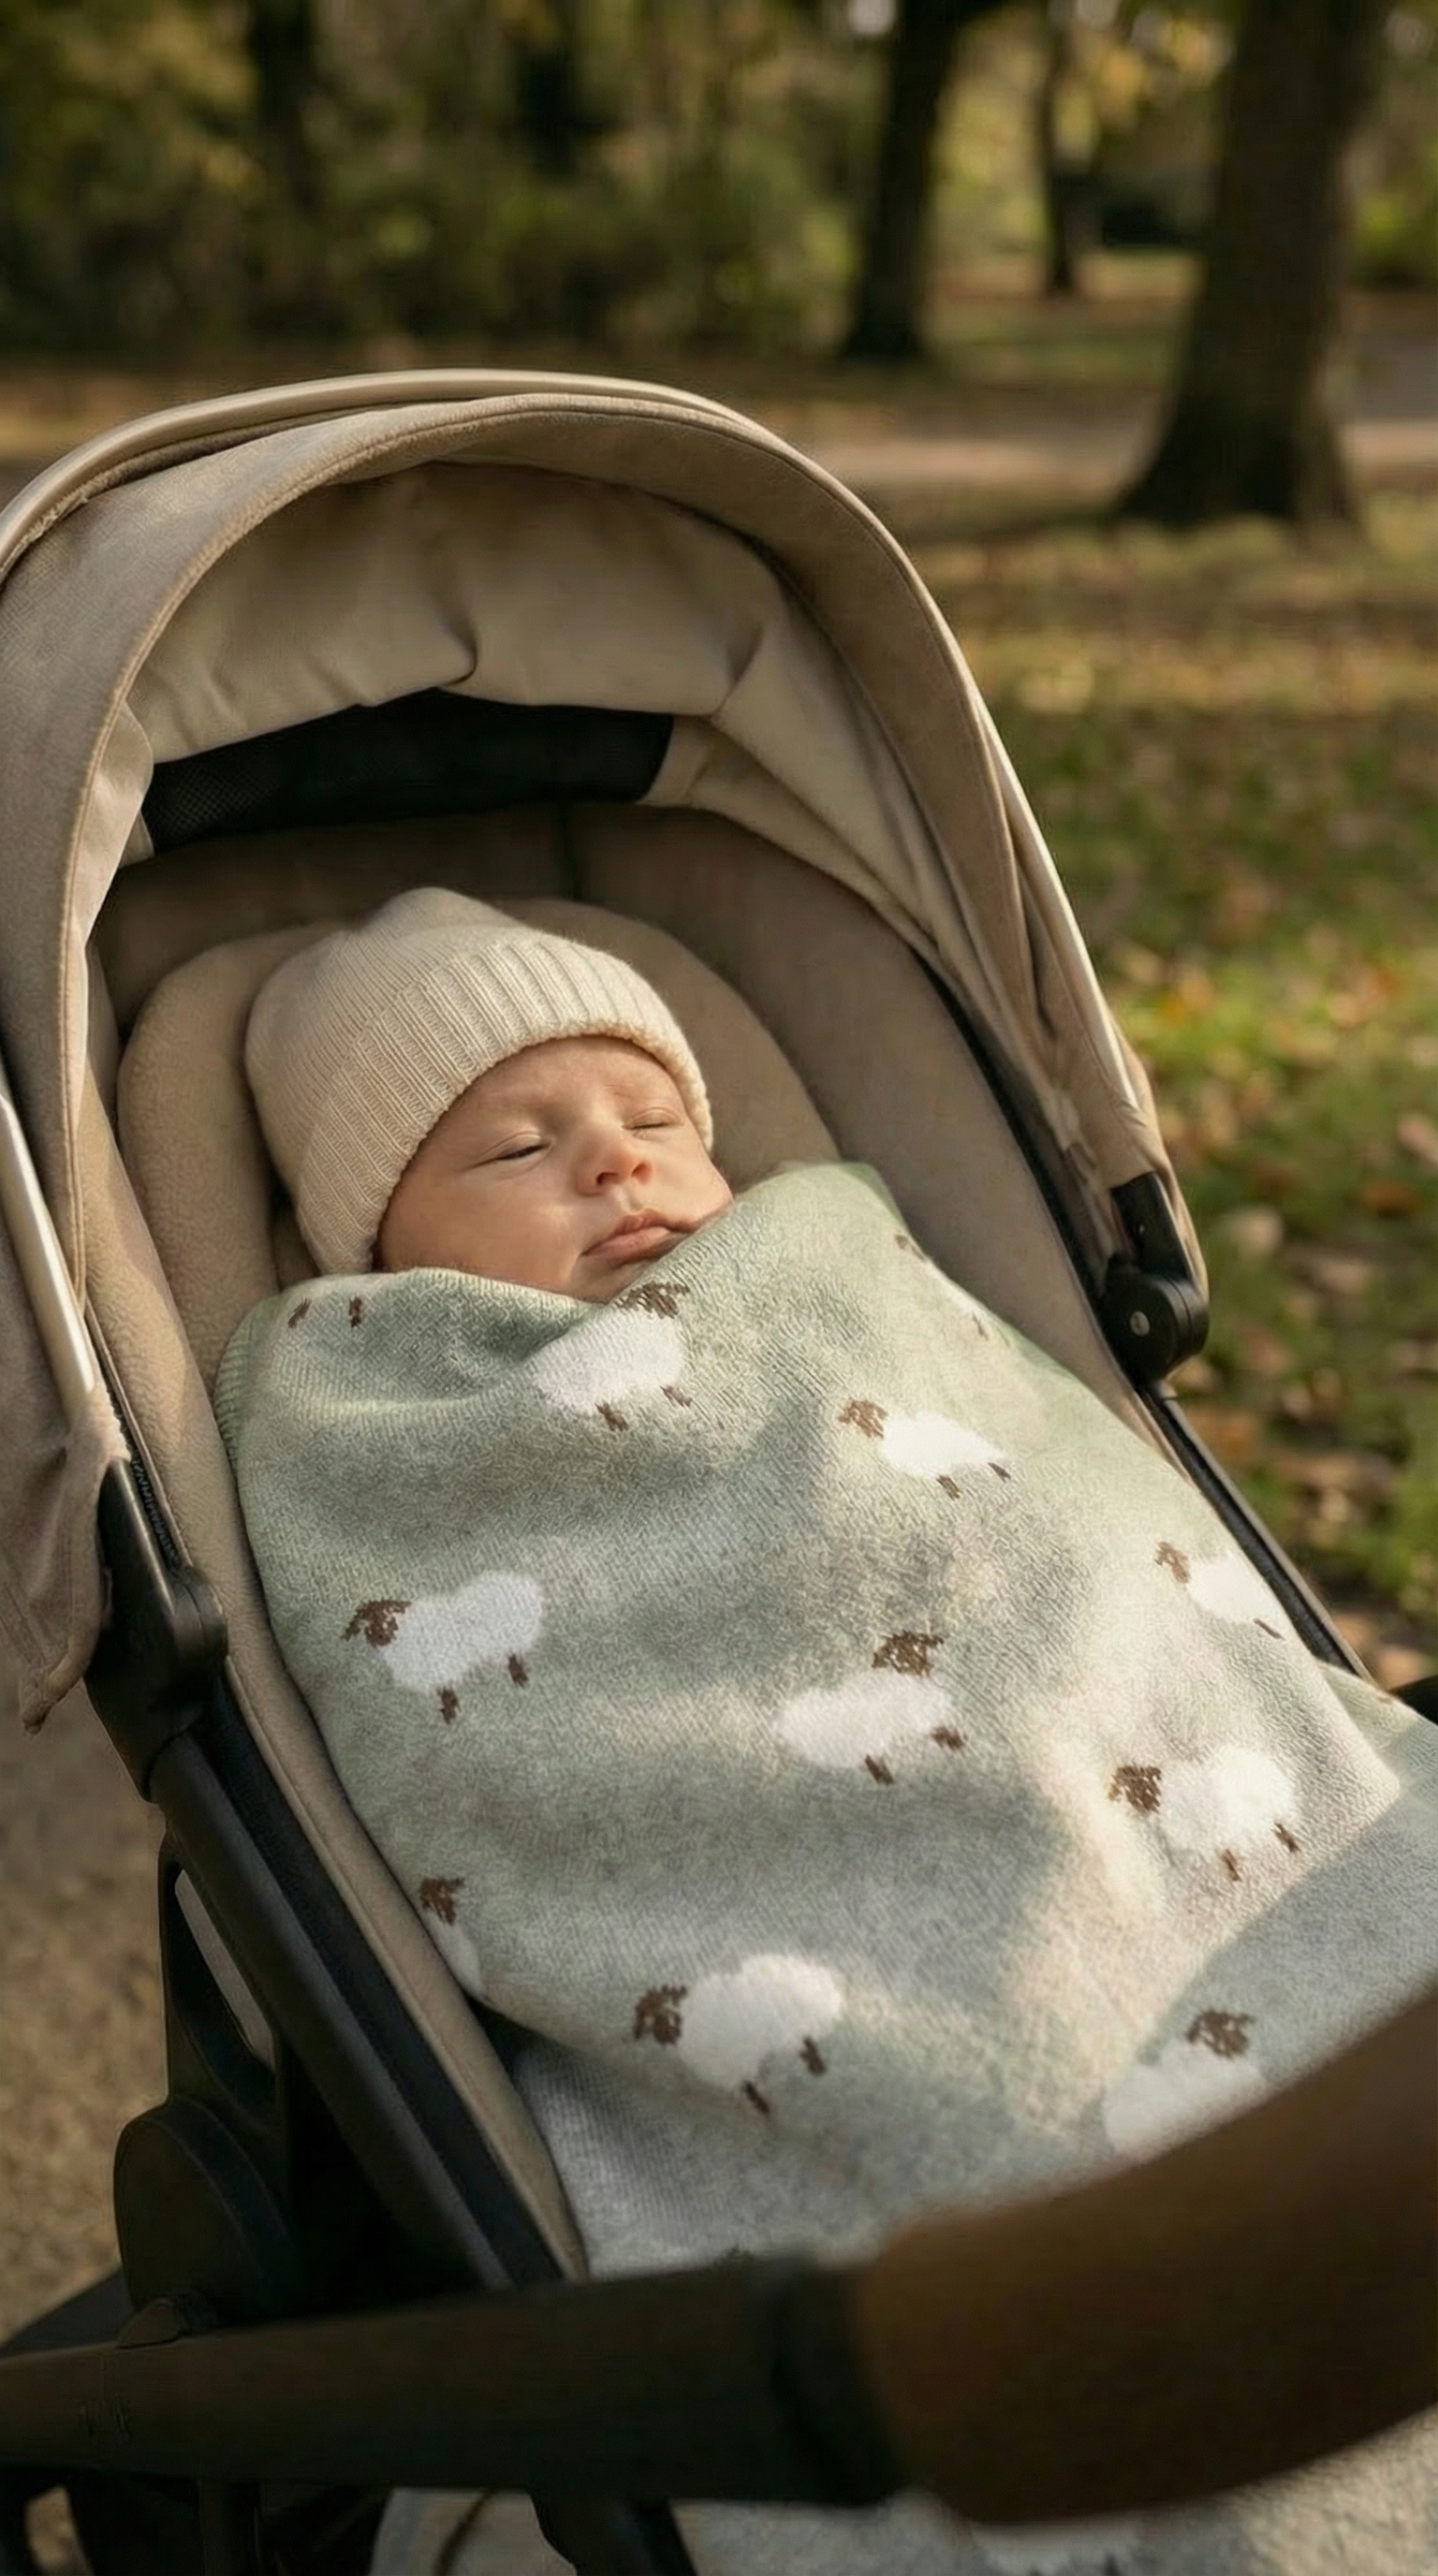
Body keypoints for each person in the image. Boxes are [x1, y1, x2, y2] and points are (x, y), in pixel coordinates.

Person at [221, 887, 1438, 2576]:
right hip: (814, 1884)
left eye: (653, 1120)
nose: (616, 1165)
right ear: (374, 1250)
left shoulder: (828, 1277)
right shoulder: (383, 1407)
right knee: (1056, 2199)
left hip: (1106, 1746)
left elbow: (1042, 1513)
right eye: (514, 1150)